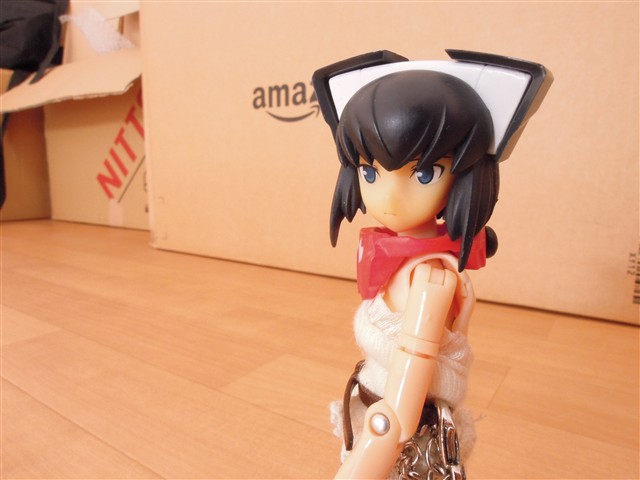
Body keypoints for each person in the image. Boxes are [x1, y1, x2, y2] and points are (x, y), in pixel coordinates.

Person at [312, 50, 552, 479]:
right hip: (371, 405)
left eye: (424, 174)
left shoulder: (430, 277)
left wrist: (368, 457)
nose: (389, 197)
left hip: (402, 435)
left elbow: (407, 393)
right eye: (370, 172)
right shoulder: (401, 258)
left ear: (467, 176)